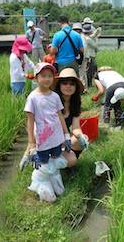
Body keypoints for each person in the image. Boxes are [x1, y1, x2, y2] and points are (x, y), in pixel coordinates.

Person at [23, 62, 72, 202]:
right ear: (36, 78)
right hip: (42, 139)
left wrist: (66, 135)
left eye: (50, 76)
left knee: (56, 159)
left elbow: (60, 116)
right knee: (43, 162)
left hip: (56, 138)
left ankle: (55, 180)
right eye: (43, 76)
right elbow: (30, 121)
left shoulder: (55, 96)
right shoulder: (32, 97)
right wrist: (31, 144)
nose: (47, 79)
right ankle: (42, 184)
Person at [53, 68, 89, 162]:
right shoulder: (52, 102)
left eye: (72, 84)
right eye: (64, 83)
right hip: (50, 140)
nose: (68, 86)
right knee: (69, 160)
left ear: (76, 87)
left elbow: (76, 128)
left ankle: (67, 163)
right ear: (59, 85)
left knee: (80, 141)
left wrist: (81, 136)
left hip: (64, 139)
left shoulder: (75, 103)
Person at [81, 24, 98, 91]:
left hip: (84, 57)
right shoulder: (88, 39)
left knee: (87, 71)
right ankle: (88, 85)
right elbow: (95, 46)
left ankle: (87, 85)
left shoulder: (82, 36)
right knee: (90, 71)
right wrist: (96, 38)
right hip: (89, 57)